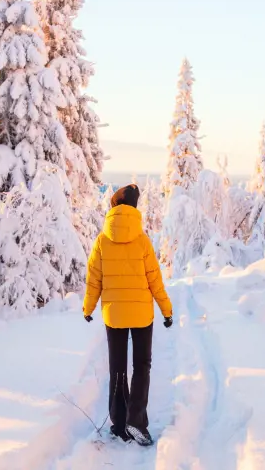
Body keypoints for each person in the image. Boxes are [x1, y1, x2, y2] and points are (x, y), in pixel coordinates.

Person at [83, 184, 173, 447]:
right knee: (142, 366)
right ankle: (137, 422)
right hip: (142, 315)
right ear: (134, 208)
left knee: (118, 368)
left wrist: (88, 309)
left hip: (114, 315)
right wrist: (166, 310)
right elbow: (155, 280)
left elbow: (93, 280)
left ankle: (119, 424)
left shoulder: (101, 240)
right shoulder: (142, 240)